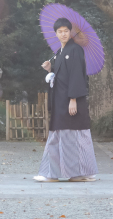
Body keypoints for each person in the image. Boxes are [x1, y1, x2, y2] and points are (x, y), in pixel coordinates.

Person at [34, 17, 98, 182]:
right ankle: (52, 173)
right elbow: (60, 75)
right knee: (57, 135)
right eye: (60, 31)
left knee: (74, 136)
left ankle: (81, 173)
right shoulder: (58, 52)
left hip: (71, 101)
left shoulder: (75, 49)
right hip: (60, 101)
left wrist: (74, 99)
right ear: (55, 33)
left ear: (70, 32)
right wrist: (50, 68)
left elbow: (76, 75)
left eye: (66, 31)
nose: (63, 34)